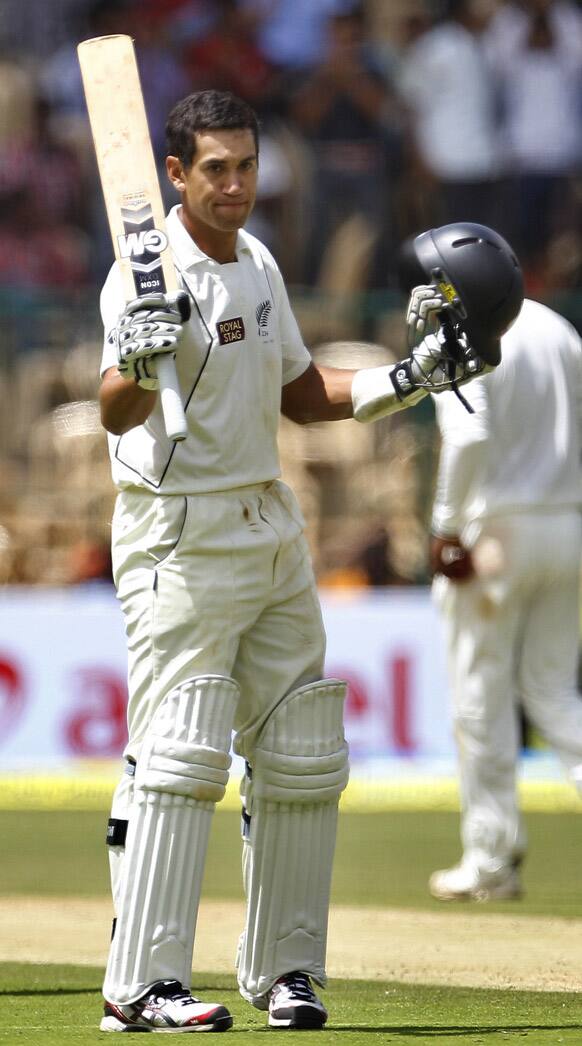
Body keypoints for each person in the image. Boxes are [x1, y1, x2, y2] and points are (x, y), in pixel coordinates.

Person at [96, 91, 501, 1033]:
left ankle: (286, 972)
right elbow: (116, 406)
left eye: (246, 166)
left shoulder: (262, 260)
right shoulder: (143, 274)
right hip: (178, 530)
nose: (236, 185)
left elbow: (303, 392)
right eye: (216, 170)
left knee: (300, 752)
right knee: (179, 754)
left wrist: (408, 379)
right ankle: (139, 986)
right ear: (174, 176)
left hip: (267, 517)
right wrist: (132, 356)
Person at [405, 224, 582, 902]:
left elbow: (469, 433)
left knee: (479, 696)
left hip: (494, 534)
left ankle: (490, 857)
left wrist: (446, 529)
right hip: (564, 524)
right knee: (554, 693)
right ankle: (491, 855)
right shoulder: (559, 329)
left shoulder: (468, 335)